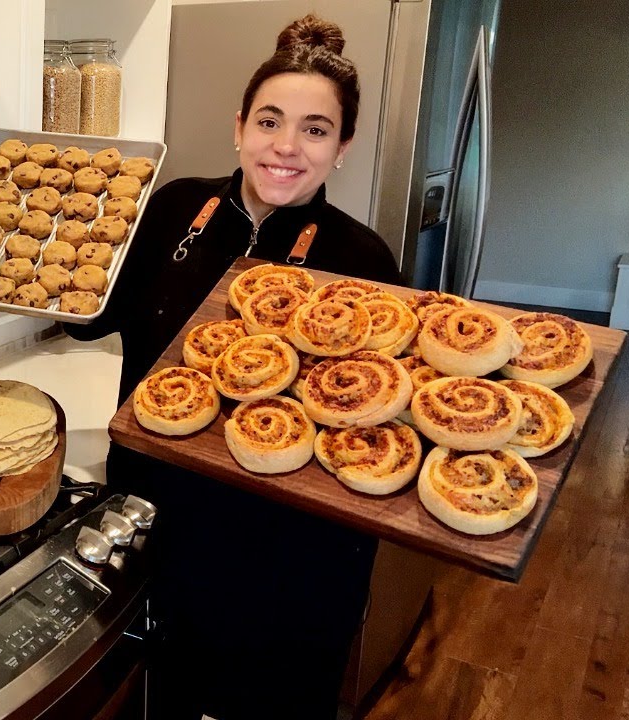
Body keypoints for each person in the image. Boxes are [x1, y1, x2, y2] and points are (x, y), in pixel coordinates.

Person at [64, 15, 401, 720]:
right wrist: (39, 266)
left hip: (287, 544)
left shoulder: (363, 264)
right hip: (160, 511)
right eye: (270, 121)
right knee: (161, 687)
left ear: (342, 147)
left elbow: (363, 419)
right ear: (239, 125)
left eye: (314, 129)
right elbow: (96, 314)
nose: (285, 146)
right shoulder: (173, 208)